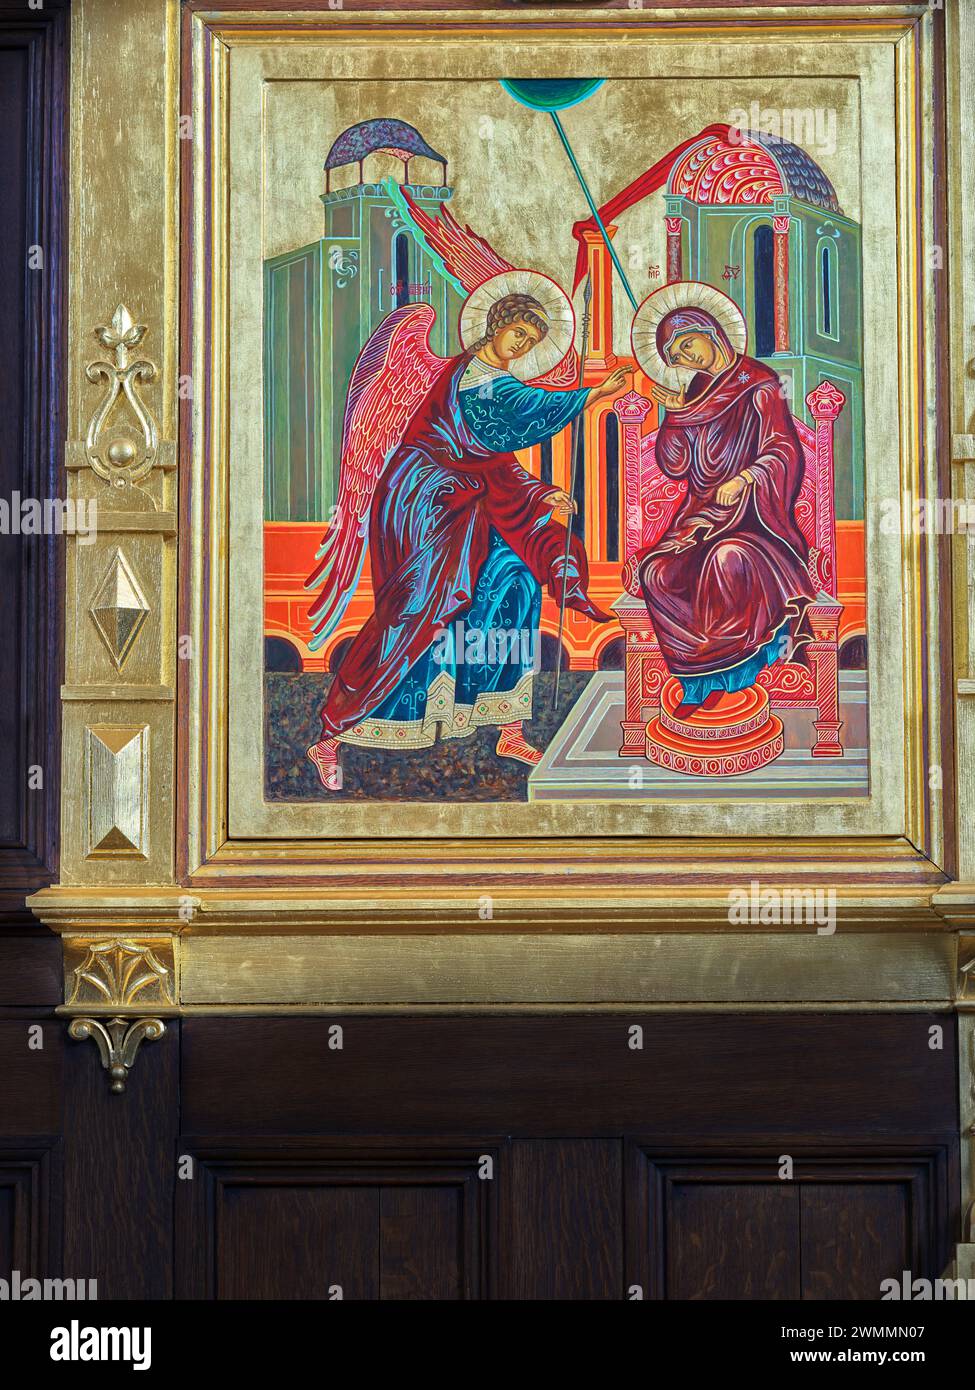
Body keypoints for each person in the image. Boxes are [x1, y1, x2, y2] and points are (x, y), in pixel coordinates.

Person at [306, 291, 627, 789]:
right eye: (518, 333)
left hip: (467, 501)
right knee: (416, 611)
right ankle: (331, 735)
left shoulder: (492, 382)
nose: (521, 346)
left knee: (516, 578)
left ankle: (508, 725)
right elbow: (518, 409)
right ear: (496, 325)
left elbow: (492, 459)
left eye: (531, 341)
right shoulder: (472, 377)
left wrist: (540, 493)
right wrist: (593, 394)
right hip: (422, 498)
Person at [637, 305, 815, 716]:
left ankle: (734, 673)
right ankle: (697, 681)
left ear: (710, 331)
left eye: (687, 345)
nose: (687, 359)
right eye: (676, 358)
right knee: (656, 572)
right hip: (702, 515)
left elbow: (784, 451)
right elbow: (676, 466)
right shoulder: (696, 391)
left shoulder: (759, 383)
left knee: (727, 559)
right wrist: (677, 415)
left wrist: (745, 478)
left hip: (756, 521)